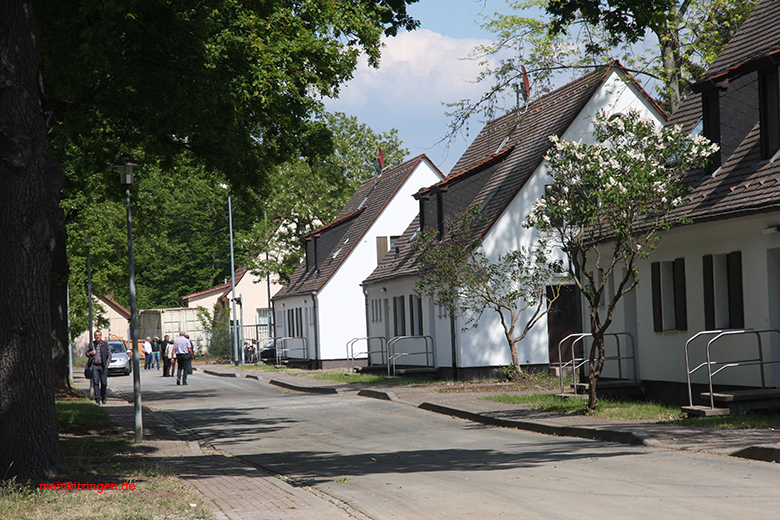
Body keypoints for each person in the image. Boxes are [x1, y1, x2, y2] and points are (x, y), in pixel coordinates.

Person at [87, 330, 112, 405]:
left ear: (101, 336)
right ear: (94, 336)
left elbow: (110, 355)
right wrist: (91, 353)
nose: (97, 336)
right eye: (96, 335)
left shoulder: (105, 344)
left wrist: (107, 364)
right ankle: (97, 398)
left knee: (104, 383)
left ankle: (103, 396)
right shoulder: (92, 345)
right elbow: (86, 353)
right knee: (96, 382)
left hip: (103, 366)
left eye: (99, 335)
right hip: (95, 366)